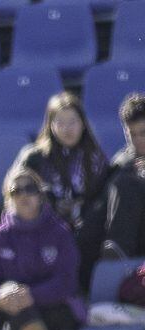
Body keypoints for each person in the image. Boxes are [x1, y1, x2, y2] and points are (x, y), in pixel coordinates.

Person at [0, 168, 83, 330]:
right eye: (16, 191)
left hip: (52, 306)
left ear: (40, 195)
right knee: (15, 308)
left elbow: (67, 281)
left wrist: (31, 295)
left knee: (16, 322)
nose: (23, 195)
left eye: (30, 189)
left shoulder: (59, 232)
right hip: (3, 305)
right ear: (7, 199)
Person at [12, 92, 110, 290]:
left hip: (86, 231)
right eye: (60, 122)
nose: (67, 129)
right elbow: (14, 194)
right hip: (44, 227)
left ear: (83, 123)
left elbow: (102, 202)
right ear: (50, 125)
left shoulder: (95, 158)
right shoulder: (34, 157)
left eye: (73, 121)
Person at [104, 93, 145, 259]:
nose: (138, 140)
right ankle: (117, 255)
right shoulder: (122, 163)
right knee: (125, 182)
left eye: (143, 133)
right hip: (133, 239)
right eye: (132, 134)